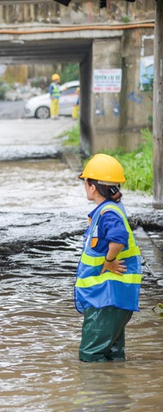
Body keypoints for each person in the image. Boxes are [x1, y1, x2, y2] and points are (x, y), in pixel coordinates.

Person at [75, 153, 142, 362]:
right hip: (112, 297)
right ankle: (115, 390)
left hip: (106, 297)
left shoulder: (108, 213)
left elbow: (118, 239)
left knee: (90, 355)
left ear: (92, 186)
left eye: (85, 182)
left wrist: (109, 261)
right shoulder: (109, 210)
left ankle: (100, 393)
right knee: (113, 354)